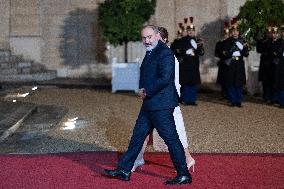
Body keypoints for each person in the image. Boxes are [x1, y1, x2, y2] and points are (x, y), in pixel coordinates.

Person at [104, 25, 191, 185]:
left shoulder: (165, 53)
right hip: (150, 104)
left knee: (171, 139)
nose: (146, 40)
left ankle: (183, 174)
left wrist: (146, 90)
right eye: (144, 38)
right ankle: (124, 170)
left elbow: (165, 78)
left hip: (161, 105)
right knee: (137, 137)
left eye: (149, 37)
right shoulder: (152, 51)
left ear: (157, 36)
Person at [131, 26, 195, 173]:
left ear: (163, 39)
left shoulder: (167, 55)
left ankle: (186, 162)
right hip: (157, 100)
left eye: (155, 38)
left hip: (165, 102)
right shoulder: (156, 53)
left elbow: (168, 80)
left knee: (172, 136)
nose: (151, 41)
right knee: (144, 132)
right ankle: (137, 158)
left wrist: (149, 92)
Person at [222, 17, 249, 107]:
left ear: (239, 32)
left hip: (239, 63)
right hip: (231, 63)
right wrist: (232, 50)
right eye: (233, 31)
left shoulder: (242, 41)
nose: (235, 32)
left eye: (237, 31)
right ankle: (232, 100)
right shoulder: (227, 41)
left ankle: (238, 100)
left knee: (239, 82)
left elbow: (246, 54)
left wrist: (242, 48)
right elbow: (224, 53)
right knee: (231, 82)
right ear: (231, 32)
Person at [178, 17, 204, 106]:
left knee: (193, 83)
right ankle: (185, 99)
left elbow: (201, 52)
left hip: (194, 63)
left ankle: (192, 100)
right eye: (189, 31)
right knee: (186, 83)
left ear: (194, 31)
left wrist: (199, 48)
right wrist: (185, 52)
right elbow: (179, 50)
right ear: (187, 31)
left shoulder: (198, 41)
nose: (190, 32)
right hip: (186, 63)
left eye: (192, 31)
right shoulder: (183, 40)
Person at [256, 25, 278, 103]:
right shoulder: (263, 41)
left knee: (274, 81)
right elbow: (259, 50)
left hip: (274, 65)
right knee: (266, 82)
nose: (270, 34)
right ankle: (267, 97)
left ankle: (274, 98)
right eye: (269, 32)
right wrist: (258, 41)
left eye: (272, 33)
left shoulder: (277, 42)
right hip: (265, 64)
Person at [215, 22, 230, 100]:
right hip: (223, 62)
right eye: (225, 33)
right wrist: (222, 54)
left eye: (227, 33)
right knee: (223, 80)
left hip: (230, 63)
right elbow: (216, 53)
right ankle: (223, 94)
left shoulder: (231, 42)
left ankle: (229, 94)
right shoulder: (220, 43)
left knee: (229, 79)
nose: (226, 35)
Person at [273, 24, 284, 108]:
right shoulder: (278, 42)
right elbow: (275, 52)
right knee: (281, 83)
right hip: (280, 65)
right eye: (283, 32)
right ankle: (282, 101)